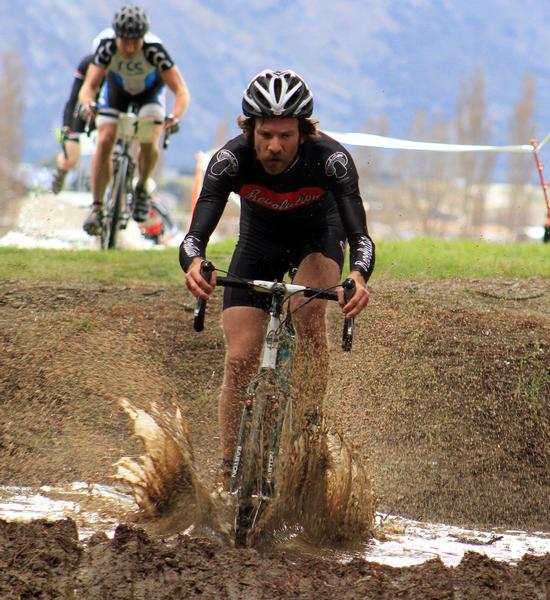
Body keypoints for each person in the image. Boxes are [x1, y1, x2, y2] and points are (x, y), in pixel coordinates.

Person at [180, 69, 375, 484]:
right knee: (240, 359)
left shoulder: (332, 161)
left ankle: (308, 424)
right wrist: (195, 264)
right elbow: (194, 239)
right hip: (258, 243)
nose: (274, 145)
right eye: (266, 134)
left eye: (285, 135)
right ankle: (227, 465)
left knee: (306, 317)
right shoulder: (230, 160)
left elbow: (361, 237)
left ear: (304, 133)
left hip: (317, 237)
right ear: (249, 129)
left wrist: (358, 276)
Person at [78, 5, 190, 235]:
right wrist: (88, 104)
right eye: (125, 41)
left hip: (149, 96)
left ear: (143, 38)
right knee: (105, 138)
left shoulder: (154, 50)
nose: (129, 48)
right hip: (116, 94)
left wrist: (176, 116)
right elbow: (89, 85)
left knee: (150, 136)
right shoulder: (107, 48)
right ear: (116, 37)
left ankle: (141, 188)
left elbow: (180, 90)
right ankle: (97, 208)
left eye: (135, 42)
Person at [51, 53, 95, 194]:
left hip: (109, 111)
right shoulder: (88, 63)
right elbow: (72, 99)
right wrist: (67, 126)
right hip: (84, 110)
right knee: (72, 157)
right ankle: (62, 169)